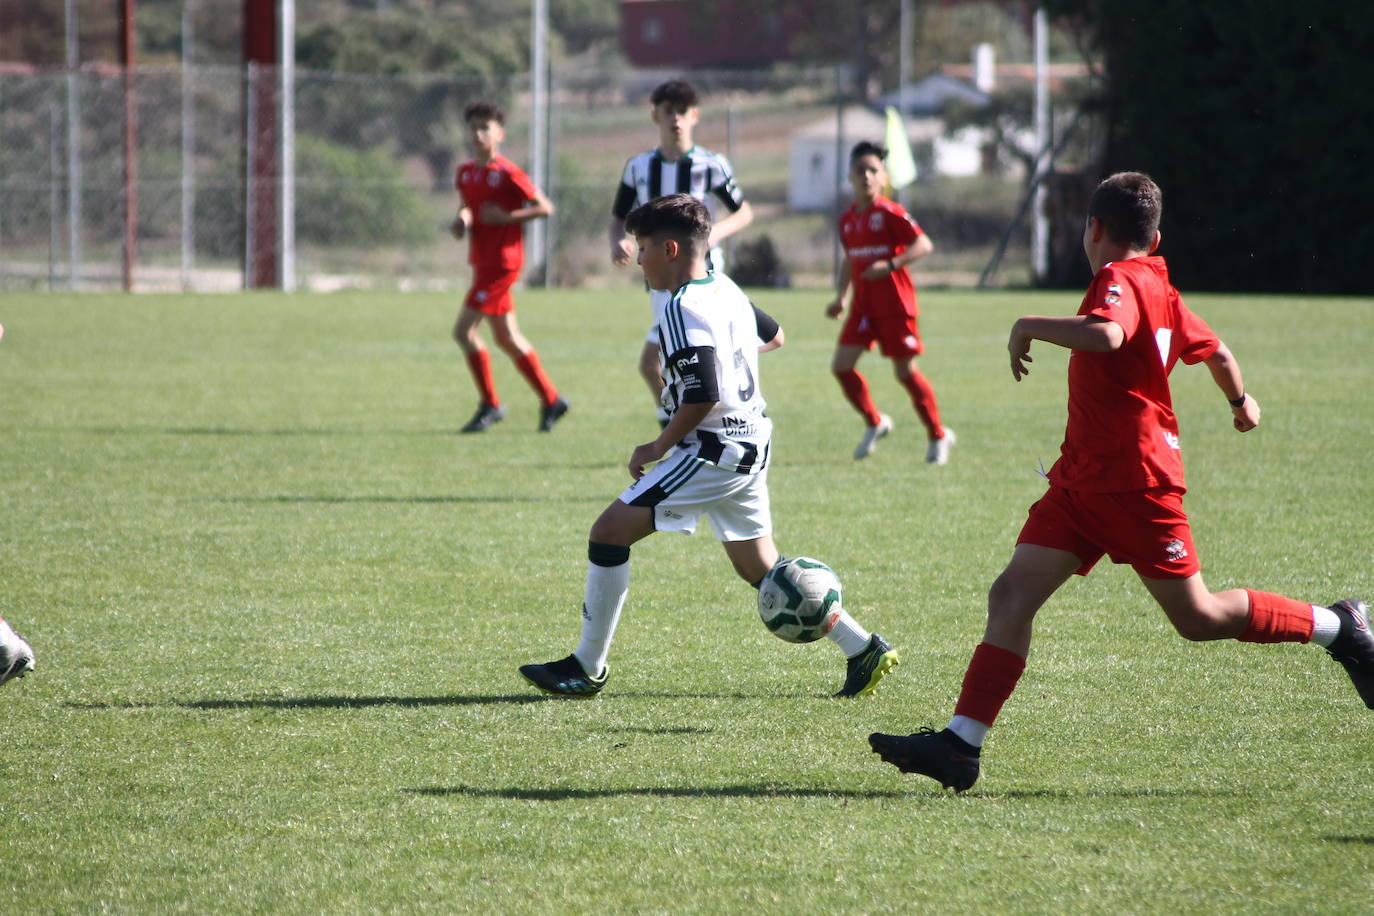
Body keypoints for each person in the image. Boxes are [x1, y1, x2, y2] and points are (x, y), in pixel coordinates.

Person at [868, 172, 1372, 792]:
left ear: (1094, 230)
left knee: (1200, 616)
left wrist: (1027, 323)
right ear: (1155, 236)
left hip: (1136, 481)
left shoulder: (1119, 279)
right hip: (1081, 483)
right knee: (1011, 597)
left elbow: (1107, 335)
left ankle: (1341, 627)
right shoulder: (1161, 282)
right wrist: (1241, 400)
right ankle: (960, 745)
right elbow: (1216, 353)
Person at [521, 194, 898, 698]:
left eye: (643, 248)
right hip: (750, 441)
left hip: (712, 449)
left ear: (671, 249)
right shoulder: (725, 287)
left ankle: (586, 666)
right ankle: (863, 647)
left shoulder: (680, 307)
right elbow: (777, 336)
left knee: (609, 533)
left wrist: (656, 445)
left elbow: (702, 394)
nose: (637, 259)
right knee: (761, 571)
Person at [608, 79, 754, 427]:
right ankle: (680, 423)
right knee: (660, 362)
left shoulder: (711, 164)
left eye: (683, 112)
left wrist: (714, 233)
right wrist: (619, 241)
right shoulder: (638, 167)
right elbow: (618, 218)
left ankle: (685, 425)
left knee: (665, 360)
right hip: (660, 280)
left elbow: (744, 212)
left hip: (701, 276)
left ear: (695, 116)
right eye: (669, 111)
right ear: (654, 115)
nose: (676, 118)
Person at [827, 141, 953, 463]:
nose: (866, 176)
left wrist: (892, 265)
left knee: (905, 373)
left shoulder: (890, 212)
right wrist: (841, 297)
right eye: (860, 170)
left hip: (896, 306)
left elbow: (924, 244)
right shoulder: (847, 220)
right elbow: (849, 260)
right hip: (863, 308)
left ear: (883, 177)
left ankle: (938, 435)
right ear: (850, 176)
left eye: (873, 170)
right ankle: (875, 421)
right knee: (841, 367)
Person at [450, 100, 568, 434]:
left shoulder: (508, 173)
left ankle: (491, 404)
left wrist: (507, 218)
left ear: (499, 133)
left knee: (463, 331)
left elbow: (545, 208)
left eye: (484, 127)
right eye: (473, 127)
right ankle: (551, 399)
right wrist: (463, 219)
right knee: (506, 337)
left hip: (502, 265)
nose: (477, 133)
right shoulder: (466, 172)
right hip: (482, 262)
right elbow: (469, 206)